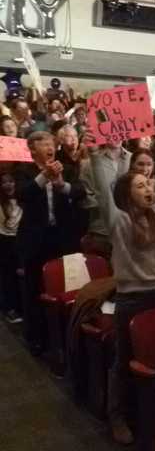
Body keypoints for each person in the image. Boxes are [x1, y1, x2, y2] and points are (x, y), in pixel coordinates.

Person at [88, 132, 155, 444]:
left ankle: (153, 407)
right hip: (130, 299)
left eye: (149, 183)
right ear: (126, 195)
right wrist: (94, 155)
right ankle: (116, 415)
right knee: (124, 358)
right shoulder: (118, 220)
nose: (149, 187)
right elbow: (105, 192)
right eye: (140, 185)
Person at [15, 131, 87, 354]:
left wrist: (61, 185)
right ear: (32, 149)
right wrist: (43, 177)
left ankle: (65, 335)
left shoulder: (66, 167)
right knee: (35, 288)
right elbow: (22, 195)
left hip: (63, 238)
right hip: (36, 239)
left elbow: (80, 191)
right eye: (43, 143)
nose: (49, 147)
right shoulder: (23, 171)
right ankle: (36, 336)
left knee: (65, 286)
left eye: (51, 143)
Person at [0, 169, 23, 323]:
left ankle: (19, 305)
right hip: (4, 241)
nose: (8, 185)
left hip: (20, 239)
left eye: (11, 181)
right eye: (4, 182)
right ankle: (9, 308)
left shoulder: (22, 199)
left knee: (20, 274)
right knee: (7, 275)